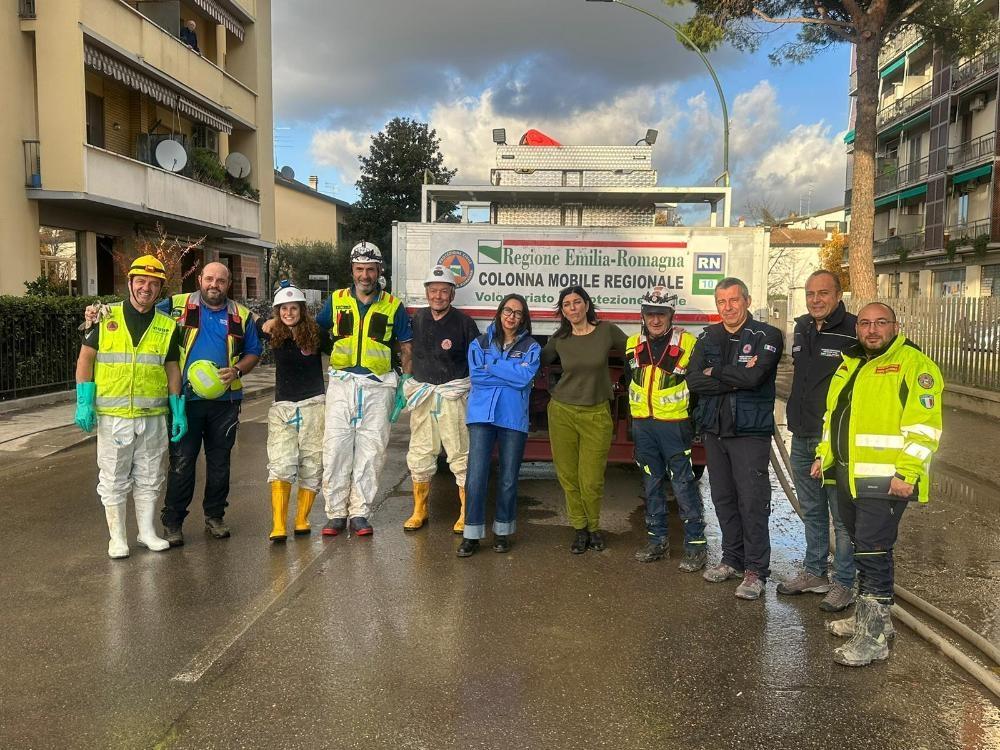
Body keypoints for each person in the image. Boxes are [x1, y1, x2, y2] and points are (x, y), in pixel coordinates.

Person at [814, 302, 943, 667]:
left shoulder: (914, 365)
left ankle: (872, 640)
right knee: (861, 548)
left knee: (873, 552)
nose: (872, 330)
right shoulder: (851, 363)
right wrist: (824, 455)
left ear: (895, 326)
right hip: (847, 474)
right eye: (865, 324)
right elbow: (834, 417)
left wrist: (907, 472)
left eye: (880, 323)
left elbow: (924, 427)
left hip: (885, 479)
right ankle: (874, 621)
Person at [75, 255, 187, 558]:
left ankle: (146, 532)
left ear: (160, 289)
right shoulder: (105, 316)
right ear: (130, 283)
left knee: (151, 474)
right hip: (114, 416)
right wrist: (84, 401)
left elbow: (172, 367)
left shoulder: (167, 325)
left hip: (152, 415)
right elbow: (86, 358)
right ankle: (118, 538)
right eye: (141, 281)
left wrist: (178, 408)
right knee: (113, 475)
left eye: (153, 284)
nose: (146, 288)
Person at [687, 277, 783, 601]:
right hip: (715, 430)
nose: (727, 307)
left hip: (749, 431)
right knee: (723, 498)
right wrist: (734, 378)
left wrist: (718, 372)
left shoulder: (767, 336)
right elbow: (695, 380)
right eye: (721, 302)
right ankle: (732, 559)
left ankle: (755, 570)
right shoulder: (708, 337)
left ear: (747, 300)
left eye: (733, 300)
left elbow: (756, 377)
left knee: (752, 501)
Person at [159, 262, 261, 544]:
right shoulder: (175, 306)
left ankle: (215, 516)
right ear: (200, 279)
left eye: (221, 281)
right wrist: (101, 314)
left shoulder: (240, 315)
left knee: (219, 463)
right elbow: (140, 312)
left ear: (229, 284)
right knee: (182, 460)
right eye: (209, 279)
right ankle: (173, 522)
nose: (214, 285)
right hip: (185, 401)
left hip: (224, 403)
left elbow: (254, 351)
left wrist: (238, 370)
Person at [315, 241, 413, 536]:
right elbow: (315, 333)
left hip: (378, 386)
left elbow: (407, 349)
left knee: (371, 451)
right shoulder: (337, 299)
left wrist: (404, 385)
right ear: (352, 270)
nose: (365, 275)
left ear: (379, 270)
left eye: (370, 269)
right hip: (342, 383)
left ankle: (359, 513)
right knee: (335, 449)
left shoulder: (394, 305)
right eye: (360, 269)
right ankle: (335, 514)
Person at [777, 270, 858, 612]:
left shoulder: (855, 330)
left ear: (839, 295)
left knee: (841, 517)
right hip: (803, 434)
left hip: (836, 441)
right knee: (812, 511)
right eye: (810, 293)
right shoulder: (804, 328)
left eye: (823, 293)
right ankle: (814, 573)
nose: (816, 299)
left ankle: (843, 582)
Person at [541, 286, 628, 554]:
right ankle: (579, 529)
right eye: (566, 305)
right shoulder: (559, 339)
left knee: (591, 479)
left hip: (596, 413)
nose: (572, 308)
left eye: (577, 302)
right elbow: (536, 361)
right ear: (562, 311)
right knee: (568, 476)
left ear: (587, 305)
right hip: (562, 412)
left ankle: (594, 528)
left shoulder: (607, 331)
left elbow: (636, 352)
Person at [626, 286, 707, 571]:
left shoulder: (689, 343)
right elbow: (630, 384)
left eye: (661, 314)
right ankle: (657, 541)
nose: (655, 320)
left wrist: (694, 423)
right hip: (644, 425)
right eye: (650, 314)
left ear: (672, 314)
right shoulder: (632, 343)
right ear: (643, 315)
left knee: (683, 485)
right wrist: (632, 424)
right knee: (651, 484)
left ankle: (696, 547)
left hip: (675, 426)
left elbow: (698, 387)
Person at [457, 295, 541, 557]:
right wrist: (510, 371)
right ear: (499, 312)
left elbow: (524, 378)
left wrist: (492, 364)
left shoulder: (531, 346)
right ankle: (471, 535)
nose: (511, 316)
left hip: (513, 418)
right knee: (476, 476)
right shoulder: (478, 343)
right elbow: (478, 378)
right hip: (482, 416)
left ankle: (503, 532)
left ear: (523, 318)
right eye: (508, 310)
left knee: (507, 478)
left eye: (518, 312)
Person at [402, 265, 480, 533]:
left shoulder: (464, 323)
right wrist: (406, 380)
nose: (438, 296)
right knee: (420, 452)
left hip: (452, 396)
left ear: (452, 294)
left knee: (460, 453)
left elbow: (476, 361)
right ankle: (419, 510)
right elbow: (406, 351)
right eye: (433, 291)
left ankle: (464, 513)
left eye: (443, 291)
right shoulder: (417, 319)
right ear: (426, 293)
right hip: (424, 396)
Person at [258, 282, 332, 542]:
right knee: (280, 462)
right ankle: (279, 524)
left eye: (294, 308)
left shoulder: (316, 333)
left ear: (302, 309)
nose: (289, 313)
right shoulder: (273, 331)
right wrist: (265, 322)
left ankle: (302, 519)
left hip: (314, 405)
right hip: (283, 408)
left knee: (312, 462)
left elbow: (339, 348)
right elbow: (250, 321)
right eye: (283, 309)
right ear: (277, 311)